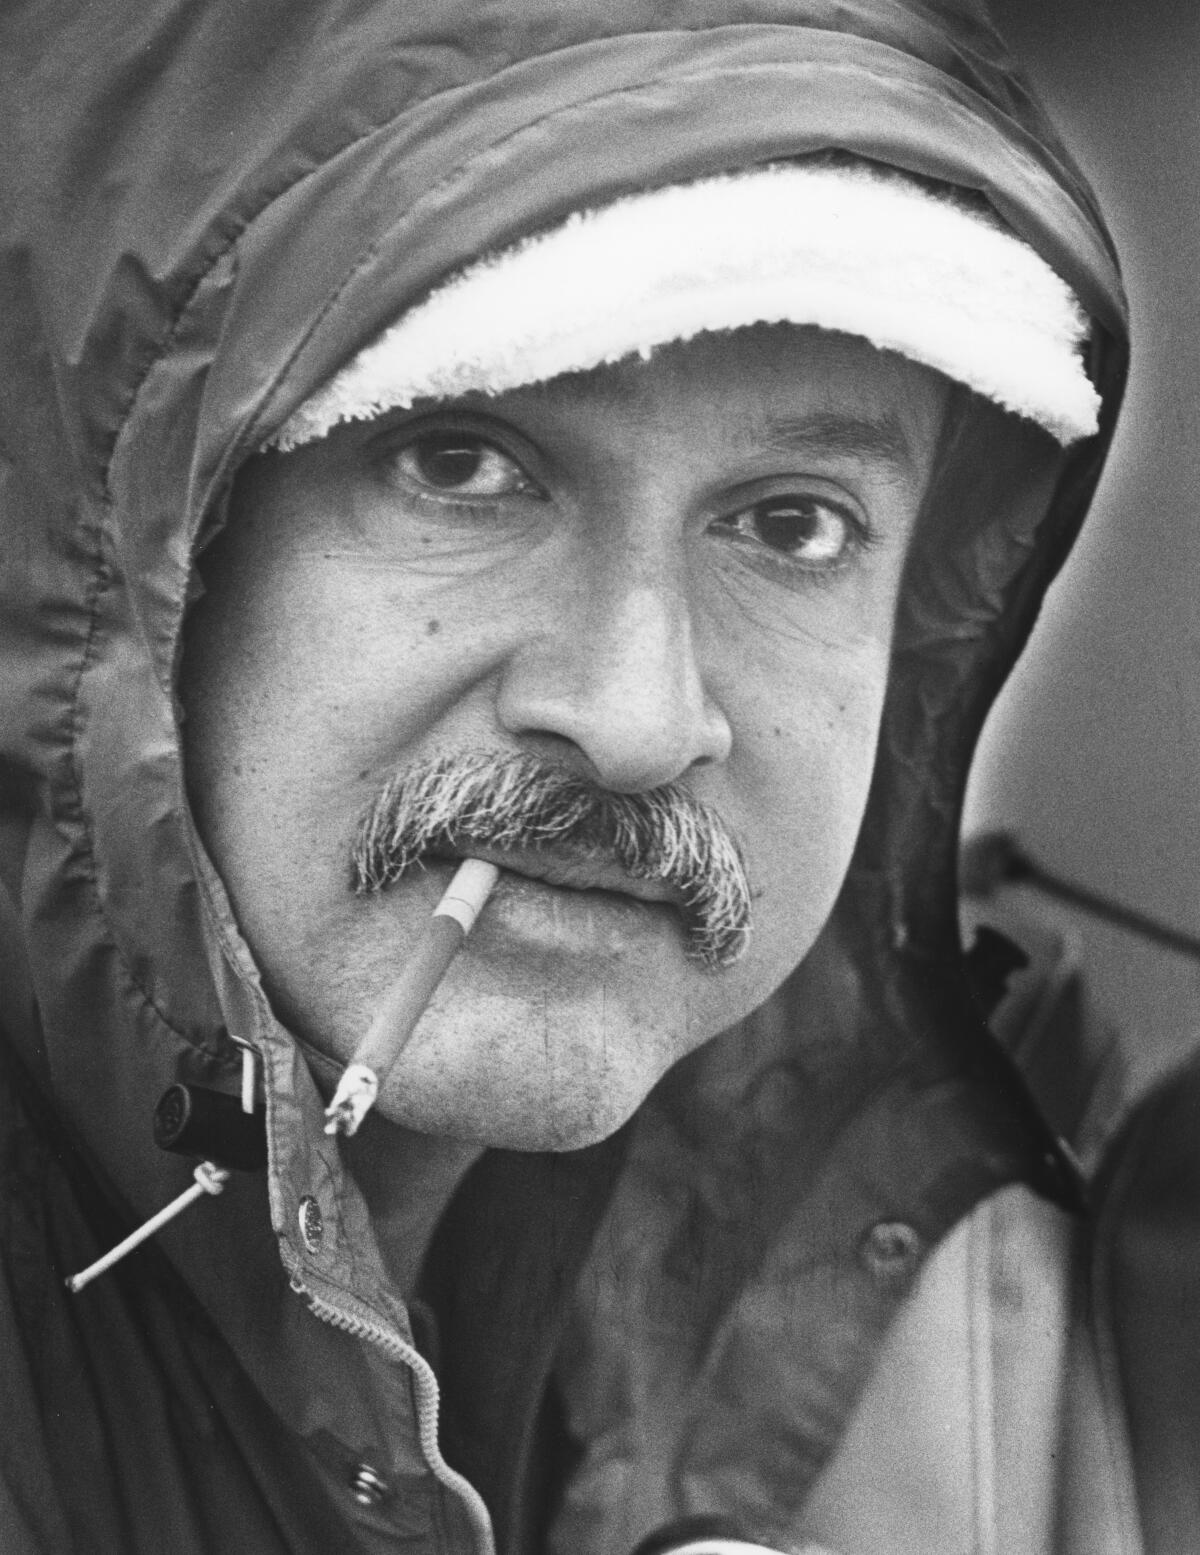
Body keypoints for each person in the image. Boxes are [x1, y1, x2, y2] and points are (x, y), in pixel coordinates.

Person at [0, 1, 1139, 1552]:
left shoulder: (1009, 1269)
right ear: (133, 557)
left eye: (791, 523)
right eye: (464, 463)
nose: (636, 717)